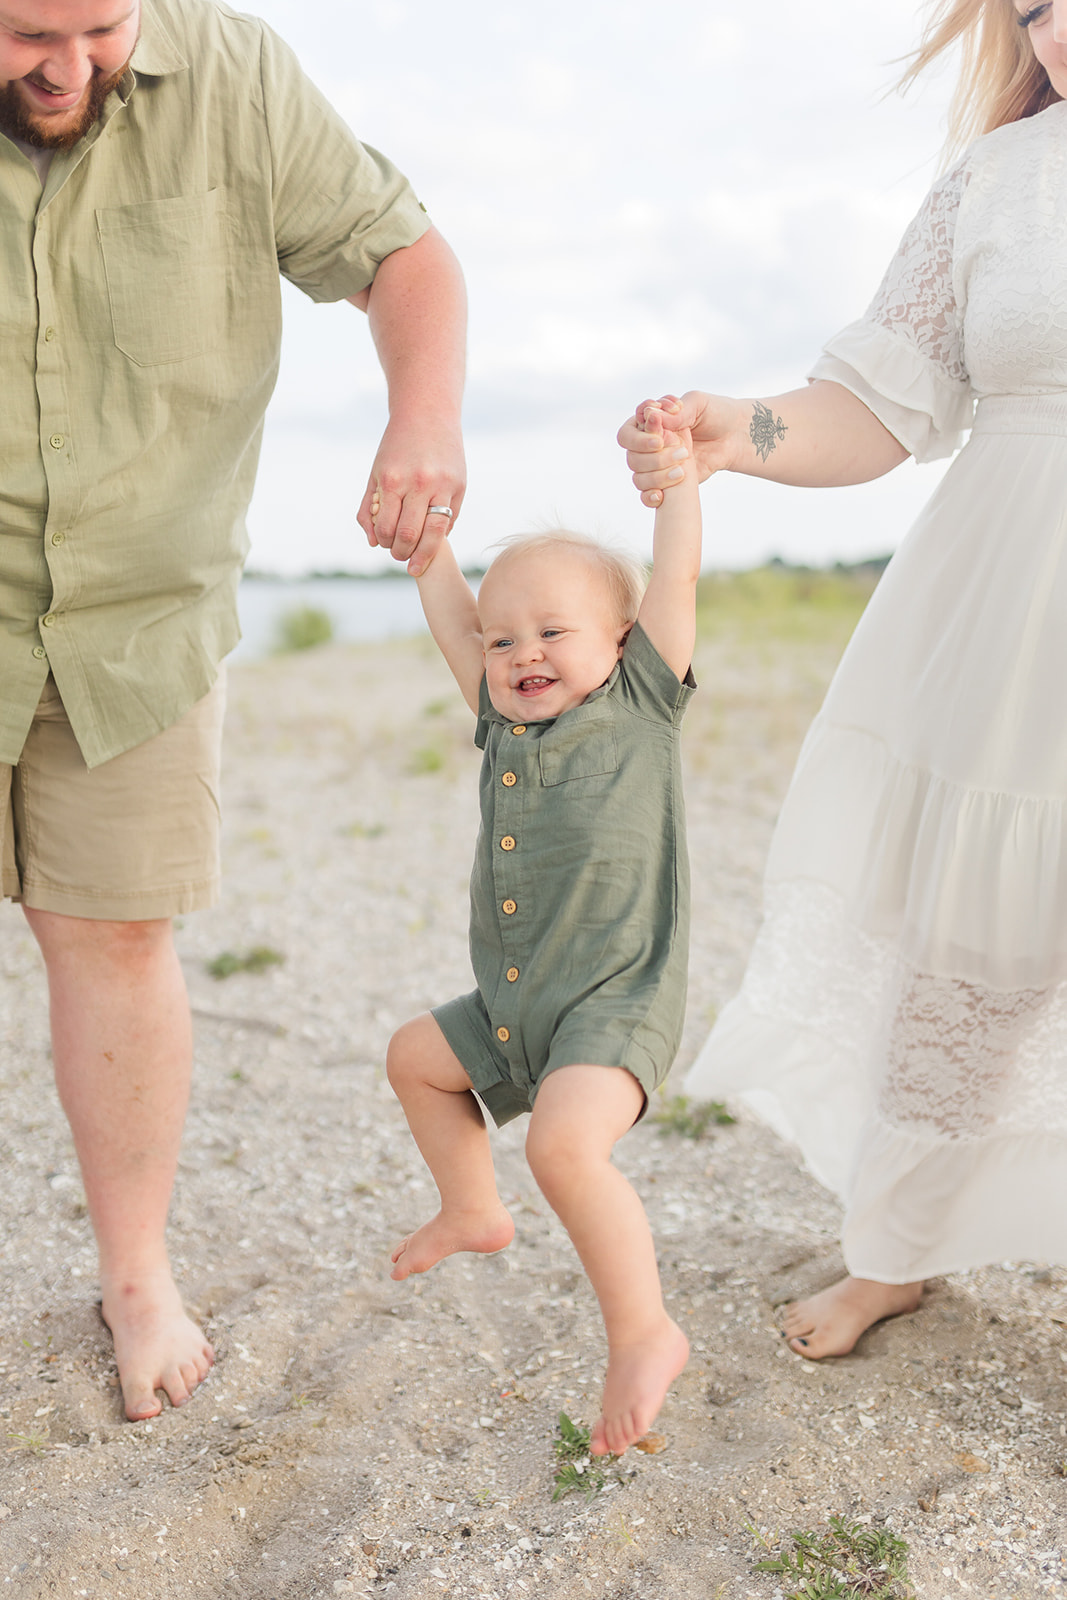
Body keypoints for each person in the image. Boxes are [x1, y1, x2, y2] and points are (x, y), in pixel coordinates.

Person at [0, 0, 466, 1421]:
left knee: (116, 932)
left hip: (139, 618)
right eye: (24, 30)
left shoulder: (238, 72)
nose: (68, 69)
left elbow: (403, 254)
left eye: (99, 27)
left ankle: (135, 1273)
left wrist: (422, 415)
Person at [618, 0, 1067, 1360]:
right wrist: (732, 431)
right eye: (1033, 9)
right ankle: (899, 1244)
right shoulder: (996, 179)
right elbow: (877, 405)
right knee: (963, 959)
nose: (1055, 33)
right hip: (997, 623)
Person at [381, 402, 700, 1457]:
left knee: (566, 1146)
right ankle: (471, 1206)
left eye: (553, 631)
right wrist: (431, 555)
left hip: (614, 997)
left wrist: (678, 487)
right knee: (416, 1059)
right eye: (504, 636)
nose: (523, 652)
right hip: (519, 1000)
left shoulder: (640, 703)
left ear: (619, 640)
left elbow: (674, 583)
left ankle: (642, 1329)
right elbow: (451, 622)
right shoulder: (498, 720)